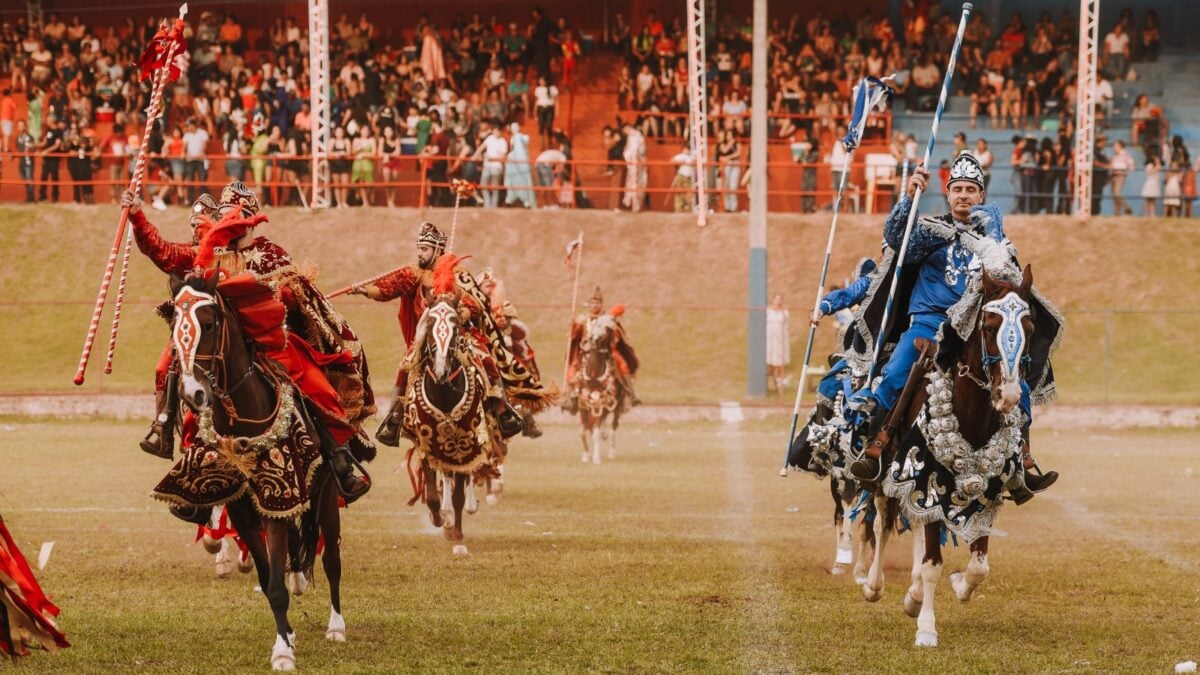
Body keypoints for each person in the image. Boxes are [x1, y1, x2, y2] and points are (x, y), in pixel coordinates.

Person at [121, 182, 374, 503]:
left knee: (313, 385)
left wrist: (262, 292)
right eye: (223, 216)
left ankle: (339, 459)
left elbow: (294, 294)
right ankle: (173, 441)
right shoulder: (210, 253)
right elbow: (165, 253)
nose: (227, 222)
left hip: (270, 342)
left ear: (250, 219)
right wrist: (138, 216)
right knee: (178, 370)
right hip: (219, 347)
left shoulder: (271, 253)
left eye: (234, 216)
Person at [844, 152, 1060, 503]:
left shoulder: (994, 239)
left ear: (980, 195)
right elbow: (897, 239)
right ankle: (876, 451)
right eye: (957, 188)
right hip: (929, 324)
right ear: (947, 193)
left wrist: (996, 236)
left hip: (975, 328)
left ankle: (1021, 463)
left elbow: (1008, 281)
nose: (963, 195)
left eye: (970, 189)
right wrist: (909, 197)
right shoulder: (929, 231)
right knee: (898, 372)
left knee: (1014, 382)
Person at [351, 222, 551, 442]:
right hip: (427, 335)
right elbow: (390, 287)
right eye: (419, 247)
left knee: (485, 358)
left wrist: (461, 313)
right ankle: (395, 416)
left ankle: (503, 411)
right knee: (406, 364)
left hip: (458, 334)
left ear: (438, 250)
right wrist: (365, 290)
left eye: (425, 249)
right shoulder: (414, 273)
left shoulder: (458, 274)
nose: (420, 253)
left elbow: (474, 303)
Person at [563, 287, 641, 414]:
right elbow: (574, 336)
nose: (595, 305)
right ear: (589, 304)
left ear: (601, 304)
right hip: (585, 352)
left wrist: (611, 333)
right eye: (592, 303)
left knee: (622, 364)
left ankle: (631, 394)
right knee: (573, 368)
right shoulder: (583, 320)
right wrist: (572, 326)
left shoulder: (608, 320)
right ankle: (568, 397)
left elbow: (617, 336)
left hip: (606, 352)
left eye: (597, 303)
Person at [765, 293, 790, 390]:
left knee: (780, 361)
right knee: (770, 361)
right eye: (776, 299)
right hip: (770, 339)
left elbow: (786, 325)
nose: (778, 301)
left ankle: (779, 380)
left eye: (780, 299)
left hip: (781, 339)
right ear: (773, 300)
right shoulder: (768, 311)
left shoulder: (784, 312)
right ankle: (771, 380)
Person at [1109, 140, 1135, 216]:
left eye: (1115, 146)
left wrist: (1123, 171)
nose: (1114, 147)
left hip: (1120, 176)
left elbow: (1132, 166)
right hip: (1113, 175)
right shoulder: (1115, 155)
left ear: (1120, 146)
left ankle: (1127, 208)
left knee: (1117, 193)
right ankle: (1117, 213)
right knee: (1114, 196)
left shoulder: (1126, 155)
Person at [15, 120, 36, 203]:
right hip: (21, 162)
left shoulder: (29, 137)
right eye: (19, 125)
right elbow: (18, 149)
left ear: (25, 127)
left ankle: (31, 198)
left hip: (28, 162)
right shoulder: (17, 138)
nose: (20, 127)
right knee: (24, 178)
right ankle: (29, 197)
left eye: (22, 125)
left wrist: (30, 149)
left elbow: (32, 148)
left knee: (29, 178)